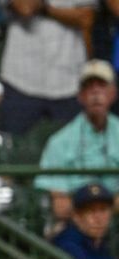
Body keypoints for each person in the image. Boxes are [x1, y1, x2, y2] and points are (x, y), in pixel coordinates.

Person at [35, 60, 119, 228]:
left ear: (113, 93)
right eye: (89, 86)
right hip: (76, 223)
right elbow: (60, 206)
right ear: (80, 96)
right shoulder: (59, 142)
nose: (96, 92)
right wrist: (93, 213)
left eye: (101, 85)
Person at [0, 0, 96, 135]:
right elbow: (26, 7)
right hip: (21, 79)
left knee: (70, 151)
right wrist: (63, 13)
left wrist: (45, 10)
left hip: (68, 82)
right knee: (15, 150)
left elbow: (86, 18)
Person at [54, 182, 119, 259]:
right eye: (91, 211)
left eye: (103, 210)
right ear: (76, 216)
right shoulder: (68, 245)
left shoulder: (102, 248)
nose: (98, 218)